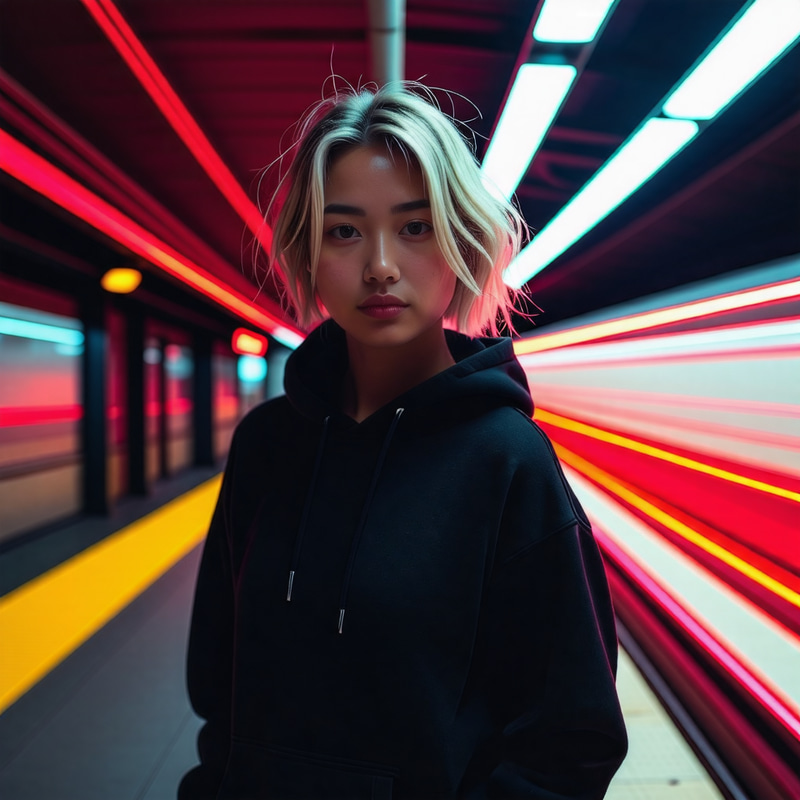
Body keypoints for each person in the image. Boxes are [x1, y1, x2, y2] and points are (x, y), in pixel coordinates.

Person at [179, 83, 627, 800]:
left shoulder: (507, 461)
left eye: (415, 228)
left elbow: (569, 741)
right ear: (310, 252)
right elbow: (220, 689)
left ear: (461, 243)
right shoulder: (268, 445)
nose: (380, 265)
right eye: (345, 230)